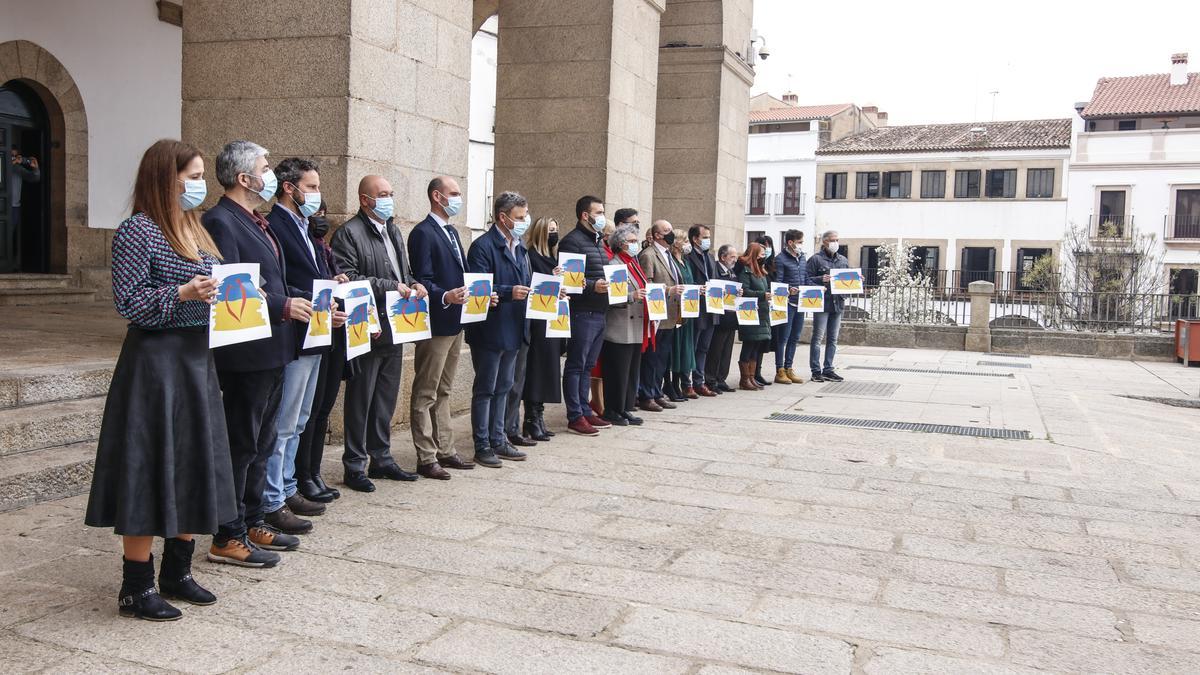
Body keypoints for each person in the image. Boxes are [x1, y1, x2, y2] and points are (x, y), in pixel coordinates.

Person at [85, 139, 233, 621]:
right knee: (149, 467)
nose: (199, 184)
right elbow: (128, 302)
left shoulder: (196, 227)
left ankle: (178, 572)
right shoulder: (137, 231)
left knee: (193, 460)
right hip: (155, 364)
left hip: (195, 360)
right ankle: (135, 587)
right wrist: (184, 292)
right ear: (164, 177)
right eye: (191, 176)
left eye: (199, 175)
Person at [203, 140, 310, 566]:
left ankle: (252, 519)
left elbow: (274, 283)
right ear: (245, 178)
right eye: (265, 168)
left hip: (274, 348)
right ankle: (227, 534)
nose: (270, 174)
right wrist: (283, 305)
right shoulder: (220, 221)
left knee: (262, 443)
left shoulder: (254, 220)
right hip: (247, 353)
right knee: (242, 443)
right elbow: (232, 290)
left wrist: (308, 301)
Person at [262, 158, 347, 535]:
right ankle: (273, 496)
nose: (316, 194)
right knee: (283, 423)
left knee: (299, 420)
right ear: (289, 188)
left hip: (315, 329)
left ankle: (289, 485)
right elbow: (279, 281)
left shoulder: (305, 226)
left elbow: (315, 276)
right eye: (310, 187)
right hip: (293, 332)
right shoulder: (277, 224)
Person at [332, 175, 428, 491]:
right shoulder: (349, 233)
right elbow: (350, 278)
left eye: (391, 193)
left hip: (395, 325)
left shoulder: (394, 230)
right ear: (364, 200)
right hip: (367, 327)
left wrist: (413, 283)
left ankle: (382, 458)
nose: (388, 199)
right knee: (361, 398)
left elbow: (403, 271)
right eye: (382, 194)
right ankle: (355, 465)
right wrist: (392, 286)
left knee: (385, 397)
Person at [407, 176, 476, 480]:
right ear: (437, 196)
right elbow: (422, 277)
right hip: (436, 321)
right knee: (426, 391)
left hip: (455, 321)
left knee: (445, 389)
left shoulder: (450, 231)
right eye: (454, 193)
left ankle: (446, 449)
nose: (459, 198)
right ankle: (426, 456)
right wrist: (444, 296)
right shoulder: (423, 232)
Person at [465, 191, 530, 467]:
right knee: (486, 388)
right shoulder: (483, 246)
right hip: (491, 329)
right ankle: (482, 444)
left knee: (505, 385)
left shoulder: (520, 245)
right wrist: (507, 292)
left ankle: (499, 437)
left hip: (515, 327)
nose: (524, 221)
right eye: (519, 217)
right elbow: (479, 287)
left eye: (525, 216)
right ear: (503, 218)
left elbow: (526, 281)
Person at [294, 202, 346, 503]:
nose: (320, 220)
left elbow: (335, 277)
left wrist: (339, 281)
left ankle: (313, 471)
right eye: (315, 214)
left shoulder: (323, 249)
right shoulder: (301, 242)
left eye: (324, 214)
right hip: (311, 332)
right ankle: (302, 475)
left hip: (331, 330)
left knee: (323, 407)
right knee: (306, 413)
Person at [557, 195, 613, 436]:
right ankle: (575, 415)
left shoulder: (598, 241)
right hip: (582, 311)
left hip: (600, 311)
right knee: (576, 364)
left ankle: (585, 408)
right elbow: (568, 281)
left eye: (602, 212)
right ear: (585, 215)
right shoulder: (572, 242)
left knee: (588, 365)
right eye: (598, 212)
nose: (602, 216)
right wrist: (592, 286)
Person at [520, 216, 565, 440]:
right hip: (538, 320)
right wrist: (551, 279)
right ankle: (530, 418)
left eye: (556, 229)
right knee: (536, 368)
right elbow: (533, 286)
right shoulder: (531, 256)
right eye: (549, 230)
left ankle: (539, 415)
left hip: (554, 319)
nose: (553, 234)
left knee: (549, 368)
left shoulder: (555, 257)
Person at [600, 220, 649, 426]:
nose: (635, 244)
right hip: (619, 326)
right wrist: (633, 295)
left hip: (636, 324)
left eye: (636, 240)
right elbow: (614, 296)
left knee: (631, 371)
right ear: (620, 244)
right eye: (631, 241)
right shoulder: (614, 265)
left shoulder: (634, 264)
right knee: (617, 371)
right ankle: (613, 409)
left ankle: (626, 407)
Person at [637, 219, 682, 411]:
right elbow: (648, 285)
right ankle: (646, 395)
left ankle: (656, 392)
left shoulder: (668, 254)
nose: (671, 233)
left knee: (662, 358)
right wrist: (669, 290)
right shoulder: (649, 255)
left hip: (669, 315)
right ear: (657, 235)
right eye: (667, 230)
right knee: (652, 358)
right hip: (656, 314)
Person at [806, 230, 849, 383]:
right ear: (824, 242)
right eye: (832, 240)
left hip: (838, 303)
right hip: (822, 303)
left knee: (833, 339)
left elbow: (847, 280)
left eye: (837, 239)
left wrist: (857, 280)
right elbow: (806, 279)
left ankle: (828, 369)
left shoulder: (842, 260)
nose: (835, 243)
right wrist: (820, 279)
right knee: (817, 337)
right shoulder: (815, 260)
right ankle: (816, 371)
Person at [685, 224, 718, 397]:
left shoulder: (710, 258)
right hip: (695, 306)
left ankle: (700, 381)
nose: (707, 240)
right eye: (705, 237)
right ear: (695, 239)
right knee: (693, 345)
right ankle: (687, 382)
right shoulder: (688, 256)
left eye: (708, 237)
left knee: (704, 348)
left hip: (711, 308)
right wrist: (698, 288)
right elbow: (686, 279)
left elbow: (716, 280)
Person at [772, 229, 808, 385]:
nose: (801, 245)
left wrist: (821, 283)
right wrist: (787, 290)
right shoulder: (780, 259)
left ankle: (789, 368)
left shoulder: (802, 257)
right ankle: (779, 370)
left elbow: (806, 279)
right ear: (790, 243)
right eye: (799, 242)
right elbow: (778, 281)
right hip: (787, 303)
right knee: (783, 338)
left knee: (795, 337)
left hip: (800, 303)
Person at [736, 242, 772, 391]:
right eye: (762, 254)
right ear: (755, 255)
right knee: (749, 345)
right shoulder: (746, 271)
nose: (764, 257)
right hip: (750, 313)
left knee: (756, 347)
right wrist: (763, 295)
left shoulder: (760, 271)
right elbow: (744, 291)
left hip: (762, 313)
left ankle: (751, 377)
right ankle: (745, 379)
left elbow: (763, 288)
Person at [668, 229, 697, 401]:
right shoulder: (672, 261)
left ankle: (682, 382)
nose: (687, 243)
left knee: (686, 347)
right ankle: (673, 384)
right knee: (676, 347)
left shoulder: (685, 261)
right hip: (677, 310)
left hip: (688, 308)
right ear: (677, 243)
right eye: (684, 240)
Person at [705, 244, 739, 392]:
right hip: (720, 316)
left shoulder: (732, 272)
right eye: (732, 257)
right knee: (716, 350)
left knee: (727, 350)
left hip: (731, 316)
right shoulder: (716, 270)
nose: (735, 260)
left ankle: (721, 378)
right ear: (723, 257)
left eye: (735, 257)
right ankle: (711, 380)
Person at [752, 234, 778, 387]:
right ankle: (751, 374)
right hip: (757, 307)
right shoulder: (753, 266)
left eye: (768, 246)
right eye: (763, 246)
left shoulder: (770, 265)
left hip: (768, 307)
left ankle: (757, 372)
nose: (766, 250)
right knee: (754, 342)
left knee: (763, 342)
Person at [8, 149, 40, 243]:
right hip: (3, 204)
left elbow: (34, 178)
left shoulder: (18, 168)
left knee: (8, 235)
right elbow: (3, 172)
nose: (14, 158)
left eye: (16, 156)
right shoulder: (3, 165)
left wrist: (35, 168)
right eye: (11, 156)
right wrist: (13, 162)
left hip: (14, 207)